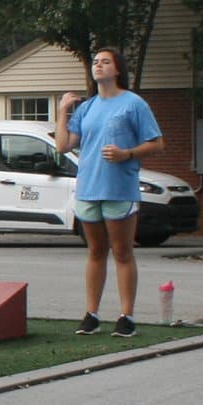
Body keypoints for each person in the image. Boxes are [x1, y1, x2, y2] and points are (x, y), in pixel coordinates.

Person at [55, 45, 164, 337]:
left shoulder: (133, 103)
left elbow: (156, 143)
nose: (98, 66)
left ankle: (126, 315)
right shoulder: (87, 107)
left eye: (105, 62)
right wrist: (62, 111)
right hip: (88, 188)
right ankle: (91, 313)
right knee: (95, 251)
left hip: (119, 188)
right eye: (95, 62)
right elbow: (64, 145)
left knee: (122, 252)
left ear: (117, 69)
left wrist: (127, 153)